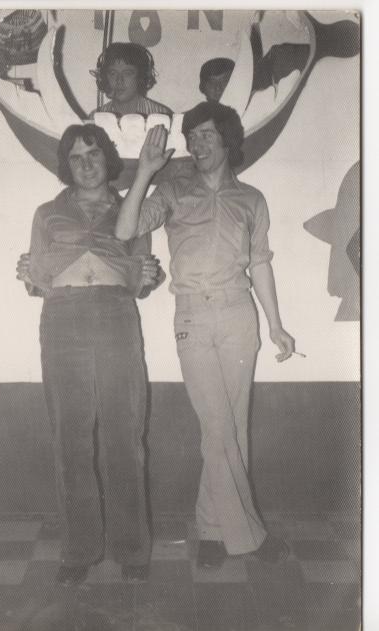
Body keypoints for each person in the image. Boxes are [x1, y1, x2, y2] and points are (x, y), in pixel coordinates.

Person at [115, 101, 295, 568]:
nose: (197, 145)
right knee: (217, 426)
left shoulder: (252, 199)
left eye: (207, 135)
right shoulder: (173, 190)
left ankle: (212, 529)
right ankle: (250, 535)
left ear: (228, 141)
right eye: (192, 137)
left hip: (239, 313)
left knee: (231, 426)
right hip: (193, 316)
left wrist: (276, 324)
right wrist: (145, 171)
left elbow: (261, 263)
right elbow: (126, 228)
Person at [16, 123, 163, 585]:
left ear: (108, 158)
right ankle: (79, 550)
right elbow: (34, 279)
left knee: (125, 437)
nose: (85, 164)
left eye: (93, 154)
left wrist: (150, 276)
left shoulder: (131, 209)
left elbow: (141, 278)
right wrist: (28, 271)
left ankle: (132, 550)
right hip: (62, 319)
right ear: (67, 166)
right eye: (76, 158)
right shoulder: (46, 213)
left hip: (116, 317)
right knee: (70, 439)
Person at [90, 42, 172, 118]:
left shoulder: (162, 115)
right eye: (113, 73)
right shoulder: (95, 117)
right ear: (105, 77)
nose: (119, 80)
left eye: (127, 73)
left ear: (140, 77)